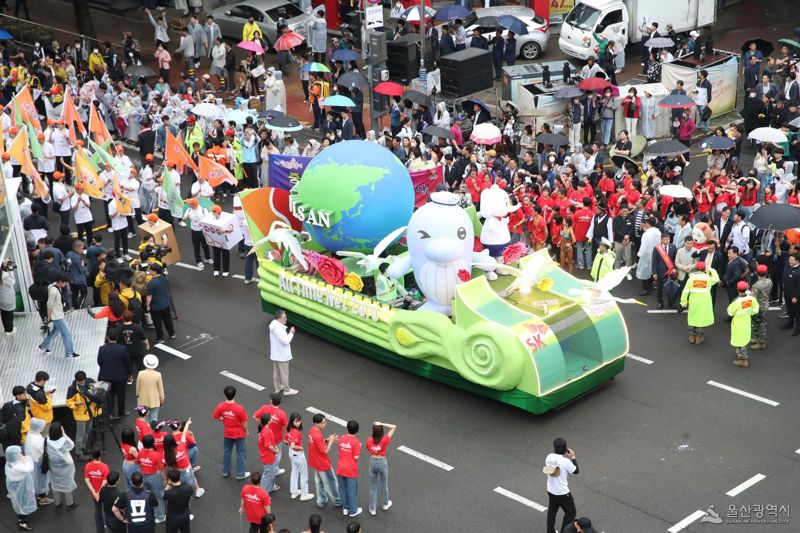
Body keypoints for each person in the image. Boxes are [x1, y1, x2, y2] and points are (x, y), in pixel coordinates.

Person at [212, 385, 250, 480]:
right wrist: (247, 431)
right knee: (241, 453)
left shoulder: (221, 406)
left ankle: (225, 471)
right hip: (239, 433)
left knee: (227, 451)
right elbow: (244, 422)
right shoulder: (240, 408)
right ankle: (240, 474)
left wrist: (224, 419)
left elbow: (215, 416)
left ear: (225, 395)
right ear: (234, 395)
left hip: (227, 432)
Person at [38, 274, 80, 358]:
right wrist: (49, 317)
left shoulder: (54, 286)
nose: (65, 285)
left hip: (58, 314)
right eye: (65, 283)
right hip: (57, 316)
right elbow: (49, 305)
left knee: (55, 332)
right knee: (66, 334)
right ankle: (69, 352)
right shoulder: (53, 291)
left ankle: (44, 345)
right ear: (60, 282)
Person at [543, 437, 579, 533]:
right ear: (565, 449)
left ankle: (550, 531)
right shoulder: (565, 461)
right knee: (571, 512)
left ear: (554, 447)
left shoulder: (549, 457)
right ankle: (565, 531)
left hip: (551, 490)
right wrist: (573, 457)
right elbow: (576, 471)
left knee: (552, 511)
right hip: (562, 493)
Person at [679, 261, 719, 345]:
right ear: (705, 269)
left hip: (694, 302)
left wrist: (683, 302)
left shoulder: (691, 279)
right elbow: (716, 279)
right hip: (705, 303)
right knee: (701, 320)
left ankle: (691, 336)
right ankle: (699, 337)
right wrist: (711, 269)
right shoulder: (708, 279)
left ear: (696, 268)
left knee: (692, 318)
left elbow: (685, 291)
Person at [98, 328, 133, 420]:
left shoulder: (102, 349)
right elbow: (127, 363)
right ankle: (121, 411)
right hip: (120, 376)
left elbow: (99, 362)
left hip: (106, 376)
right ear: (117, 337)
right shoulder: (122, 349)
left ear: (107, 337)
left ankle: (111, 414)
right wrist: (130, 374)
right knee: (121, 394)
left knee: (110, 394)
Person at [308, 413, 342, 509]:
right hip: (323, 464)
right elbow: (325, 450)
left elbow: (319, 443)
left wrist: (327, 440)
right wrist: (331, 441)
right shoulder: (317, 436)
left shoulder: (312, 430)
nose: (325, 424)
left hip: (315, 462)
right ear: (316, 423)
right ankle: (338, 501)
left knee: (319, 482)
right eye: (323, 422)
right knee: (331, 482)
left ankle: (321, 500)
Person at [65, 371, 100, 459]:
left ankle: (83, 447)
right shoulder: (72, 389)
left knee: (87, 431)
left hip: (90, 412)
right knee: (80, 434)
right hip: (80, 414)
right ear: (76, 380)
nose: (82, 383)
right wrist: (75, 404)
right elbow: (68, 402)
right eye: (80, 381)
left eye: (83, 381)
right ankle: (78, 453)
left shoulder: (89, 382)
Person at [47, 421, 79, 510]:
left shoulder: (46, 440)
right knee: (68, 484)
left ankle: (57, 503)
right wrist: (64, 434)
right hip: (66, 467)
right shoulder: (64, 441)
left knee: (55, 484)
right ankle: (69, 503)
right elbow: (71, 445)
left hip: (53, 466)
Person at [367, 421, 396, 516]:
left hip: (372, 461)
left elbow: (368, 449)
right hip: (382, 462)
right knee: (384, 484)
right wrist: (382, 424)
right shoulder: (385, 440)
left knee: (373, 486)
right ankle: (385, 504)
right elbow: (394, 427)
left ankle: (372, 509)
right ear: (381, 432)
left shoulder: (369, 440)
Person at [728, 281, 759, 367]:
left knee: (740, 340)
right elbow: (755, 310)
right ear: (746, 289)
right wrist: (748, 314)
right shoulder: (751, 299)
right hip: (746, 322)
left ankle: (743, 360)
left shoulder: (736, 301)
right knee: (744, 339)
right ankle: (740, 353)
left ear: (737, 289)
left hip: (738, 323)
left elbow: (730, 312)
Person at [5, 446, 37, 530]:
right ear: (14, 455)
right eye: (18, 453)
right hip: (21, 488)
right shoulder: (17, 466)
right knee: (23, 503)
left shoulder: (9, 463)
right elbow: (29, 468)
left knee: (19, 503)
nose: (21, 454)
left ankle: (20, 518)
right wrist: (24, 459)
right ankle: (23, 523)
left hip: (16, 488)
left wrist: (21, 458)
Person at [285, 411, 314, 501]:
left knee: (294, 471)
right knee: (304, 474)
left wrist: (291, 445)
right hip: (297, 454)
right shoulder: (295, 432)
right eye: (296, 421)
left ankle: (294, 492)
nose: (298, 422)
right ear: (292, 421)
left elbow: (286, 441)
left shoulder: (289, 429)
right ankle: (304, 494)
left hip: (291, 453)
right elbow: (293, 445)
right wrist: (300, 448)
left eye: (299, 421)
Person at [137, 434, 166, 524]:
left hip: (144, 476)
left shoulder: (140, 452)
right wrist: (164, 479)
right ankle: (160, 516)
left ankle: (149, 513)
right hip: (154, 476)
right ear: (152, 443)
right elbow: (161, 469)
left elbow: (138, 463)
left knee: (147, 495)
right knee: (158, 496)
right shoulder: (157, 455)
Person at [24, 418, 53, 506]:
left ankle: (37, 493)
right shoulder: (37, 439)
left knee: (34, 479)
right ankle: (42, 498)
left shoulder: (30, 433)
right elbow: (42, 451)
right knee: (41, 479)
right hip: (38, 462)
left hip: (31, 460)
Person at [269, 309, 298, 395]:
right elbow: (285, 341)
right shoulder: (279, 329)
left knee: (276, 372)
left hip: (276, 354)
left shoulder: (274, 325)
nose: (286, 319)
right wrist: (291, 333)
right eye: (284, 317)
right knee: (284, 373)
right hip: (282, 355)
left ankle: (278, 387)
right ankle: (287, 390)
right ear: (279, 318)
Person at [337, 419, 362, 518]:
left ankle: (345, 508)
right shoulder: (356, 442)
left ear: (347, 428)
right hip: (350, 470)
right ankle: (353, 510)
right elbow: (356, 457)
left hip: (340, 467)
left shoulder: (342, 438)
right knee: (352, 490)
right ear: (357, 430)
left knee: (342, 489)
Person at [146, 263, 175, 343]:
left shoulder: (151, 283)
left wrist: (148, 305)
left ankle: (161, 338)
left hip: (156, 307)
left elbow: (149, 297)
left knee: (158, 323)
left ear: (154, 271)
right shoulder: (163, 277)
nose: (149, 271)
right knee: (168, 320)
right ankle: (172, 333)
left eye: (150, 270)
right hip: (166, 303)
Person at [84, 448, 110, 533]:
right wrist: (99, 492)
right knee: (107, 511)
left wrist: (94, 492)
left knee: (98, 512)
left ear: (91, 455)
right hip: (104, 493)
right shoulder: (105, 466)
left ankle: (100, 530)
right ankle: (109, 527)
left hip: (94, 495)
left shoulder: (88, 466)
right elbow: (105, 481)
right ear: (100, 454)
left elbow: (87, 480)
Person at [163, 468, 194, 532]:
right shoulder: (188, 488)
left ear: (170, 479)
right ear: (179, 477)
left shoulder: (169, 493)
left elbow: (164, 496)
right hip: (185, 516)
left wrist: (169, 484)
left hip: (172, 518)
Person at [136, 354, 164, 422]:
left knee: (145, 417)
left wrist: (137, 396)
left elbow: (137, 387)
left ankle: (147, 430)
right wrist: (162, 399)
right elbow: (160, 388)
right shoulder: (158, 374)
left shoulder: (140, 373)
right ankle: (154, 430)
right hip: (154, 399)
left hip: (143, 399)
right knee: (154, 416)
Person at [750, 264, 773, 349]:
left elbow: (752, 298)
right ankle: (758, 339)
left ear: (757, 273)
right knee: (762, 324)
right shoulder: (769, 281)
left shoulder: (756, 286)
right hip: (765, 305)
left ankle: (761, 343)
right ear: (766, 273)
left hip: (758, 307)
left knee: (758, 324)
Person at [636, 218, 661, 295]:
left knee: (645, 271)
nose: (645, 224)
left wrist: (639, 254)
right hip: (656, 253)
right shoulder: (657, 231)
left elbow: (644, 245)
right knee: (652, 271)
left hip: (647, 254)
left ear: (648, 224)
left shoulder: (646, 234)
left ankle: (646, 289)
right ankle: (651, 286)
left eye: (646, 223)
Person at [780, 253, 800, 335]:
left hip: (795, 297)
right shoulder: (789, 267)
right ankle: (790, 323)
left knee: (797, 313)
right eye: (789, 259)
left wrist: (796, 297)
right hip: (787, 294)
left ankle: (798, 328)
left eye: (792, 260)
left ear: (797, 261)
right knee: (789, 310)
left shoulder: (799, 271)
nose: (789, 261)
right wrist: (784, 291)